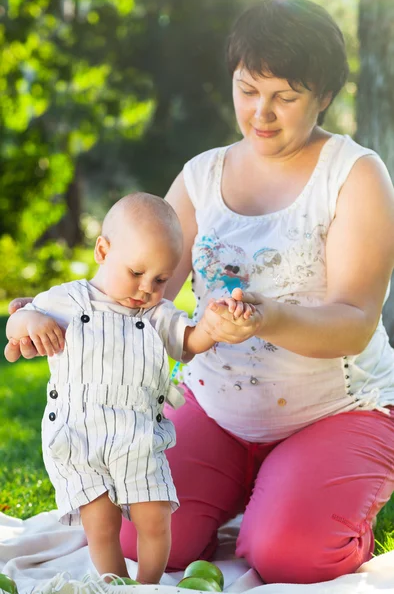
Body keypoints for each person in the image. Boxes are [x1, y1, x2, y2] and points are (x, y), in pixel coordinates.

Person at [6, 0, 394, 586]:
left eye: (285, 97)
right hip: (217, 408)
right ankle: (257, 490)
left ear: (324, 97)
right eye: (247, 89)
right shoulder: (202, 176)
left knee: (289, 556)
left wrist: (267, 318)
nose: (260, 113)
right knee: (143, 534)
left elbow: (355, 320)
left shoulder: (355, 174)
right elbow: (137, 287)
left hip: (337, 410)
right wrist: (57, 312)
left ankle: (306, 502)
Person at [5, 192, 253, 584]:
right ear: (102, 251)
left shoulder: (156, 314)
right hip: (78, 435)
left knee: (154, 518)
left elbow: (188, 341)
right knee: (100, 525)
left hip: (137, 436)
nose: (145, 288)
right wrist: (28, 322)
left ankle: (148, 585)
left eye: (160, 279)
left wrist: (212, 326)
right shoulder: (65, 300)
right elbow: (17, 322)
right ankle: (114, 584)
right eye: (136, 272)